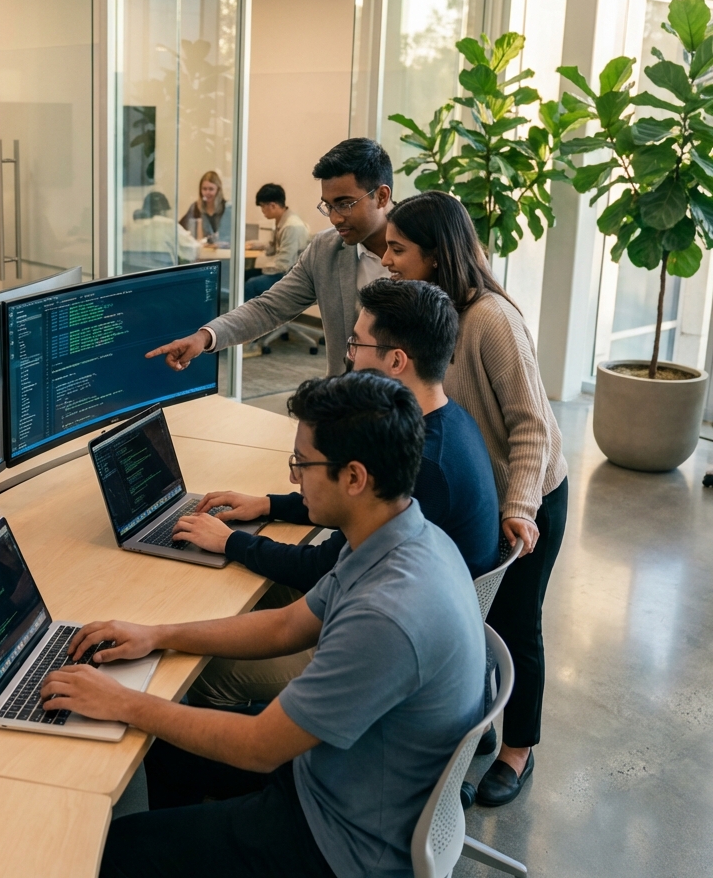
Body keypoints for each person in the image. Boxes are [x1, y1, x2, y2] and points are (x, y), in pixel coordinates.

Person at [40, 371, 485, 878]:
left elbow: (257, 748)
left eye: (303, 464)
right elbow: (285, 626)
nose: (294, 479)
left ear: (354, 478)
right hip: (344, 777)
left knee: (117, 849)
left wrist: (123, 702)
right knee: (166, 751)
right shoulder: (404, 535)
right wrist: (157, 635)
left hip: (340, 845)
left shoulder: (387, 615)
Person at [176, 278, 500, 709]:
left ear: (396, 360)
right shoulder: (441, 420)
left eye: (357, 344)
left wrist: (231, 542)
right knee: (240, 600)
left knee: (200, 671)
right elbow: (353, 497)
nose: (349, 355)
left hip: (387, 646)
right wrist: (269, 505)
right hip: (414, 617)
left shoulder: (426, 465)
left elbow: (321, 566)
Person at [381, 190, 568, 808]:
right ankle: (482, 725)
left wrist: (519, 507)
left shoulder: (490, 318)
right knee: (476, 617)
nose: (386, 259)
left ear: (435, 255)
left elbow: (532, 425)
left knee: (516, 625)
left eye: (398, 249)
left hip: (530, 492)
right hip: (483, 487)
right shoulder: (429, 313)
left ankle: (519, 749)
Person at [147, 137, 393, 378]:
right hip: (348, 394)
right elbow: (269, 308)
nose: (335, 218)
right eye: (328, 206)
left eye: (345, 204)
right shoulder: (325, 248)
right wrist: (205, 337)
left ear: (381, 196)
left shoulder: (416, 248)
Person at [244, 183, 310, 301]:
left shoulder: (291, 226)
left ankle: (247, 313)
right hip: (284, 270)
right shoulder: (282, 221)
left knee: (251, 284)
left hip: (290, 276)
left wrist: (264, 269)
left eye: (263, 206)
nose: (262, 211)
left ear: (272, 205)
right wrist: (255, 245)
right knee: (244, 275)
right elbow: (273, 247)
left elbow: (284, 264)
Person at [123, 191, 199, 270]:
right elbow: (193, 250)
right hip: (164, 273)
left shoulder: (131, 226)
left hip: (137, 273)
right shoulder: (167, 224)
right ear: (163, 211)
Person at [179, 171, 232, 244]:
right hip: (200, 250)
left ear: (218, 190)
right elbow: (181, 229)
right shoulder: (195, 208)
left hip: (223, 250)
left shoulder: (227, 209)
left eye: (211, 189)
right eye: (204, 189)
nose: (207, 192)